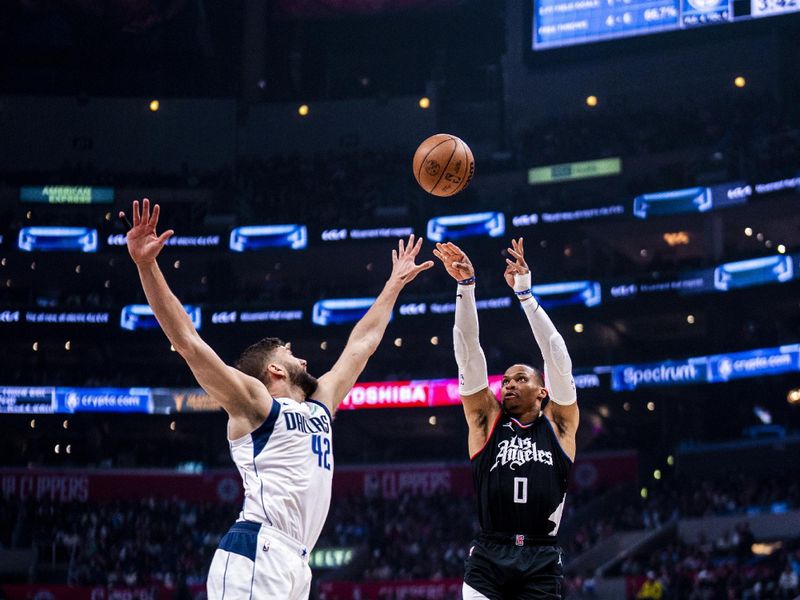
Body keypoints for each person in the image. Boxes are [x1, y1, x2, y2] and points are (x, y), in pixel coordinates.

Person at [121, 199, 433, 600]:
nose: (302, 356)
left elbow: (363, 343)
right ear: (275, 371)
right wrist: (147, 266)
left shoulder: (319, 404)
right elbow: (190, 344)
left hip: (295, 561)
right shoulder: (255, 404)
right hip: (258, 548)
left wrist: (394, 285)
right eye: (289, 352)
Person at [432, 238, 580, 600]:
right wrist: (465, 288)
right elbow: (468, 353)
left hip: (541, 556)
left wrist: (526, 296)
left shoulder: (559, 425)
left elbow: (557, 354)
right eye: (506, 380)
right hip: (489, 556)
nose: (509, 384)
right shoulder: (486, 422)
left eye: (521, 378)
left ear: (543, 391)